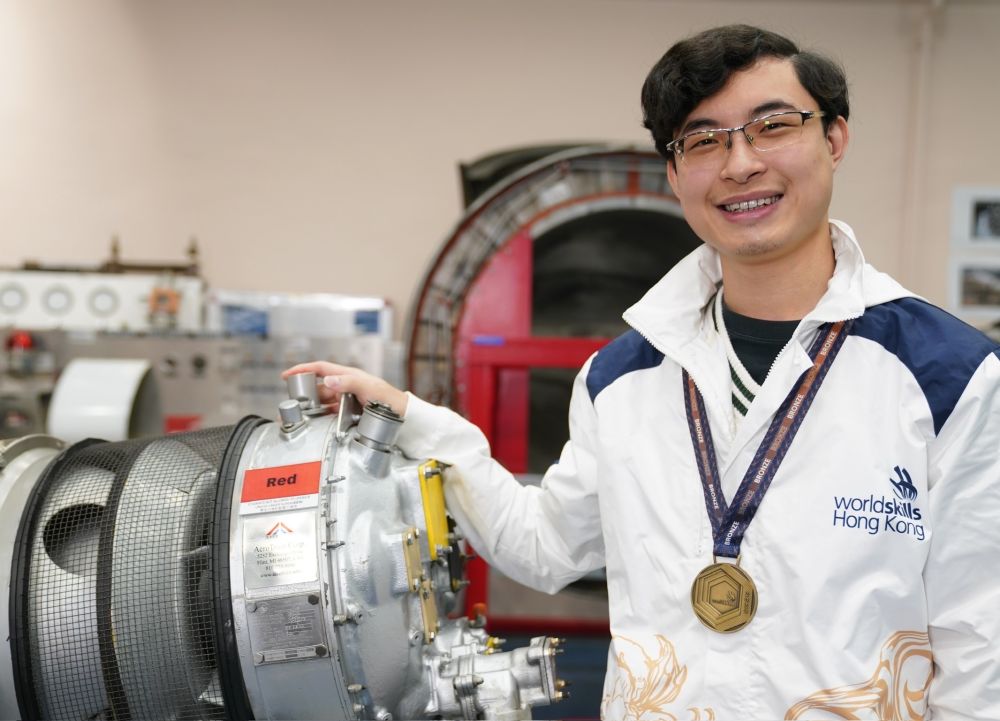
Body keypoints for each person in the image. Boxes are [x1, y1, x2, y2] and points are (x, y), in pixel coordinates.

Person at [285, 24, 1000, 719]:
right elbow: (545, 545)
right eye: (703, 140)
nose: (741, 164)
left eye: (773, 126)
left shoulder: (948, 376)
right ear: (675, 173)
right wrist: (412, 419)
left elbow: (981, 645)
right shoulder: (621, 377)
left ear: (834, 138)